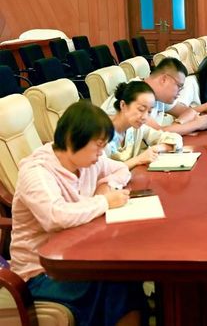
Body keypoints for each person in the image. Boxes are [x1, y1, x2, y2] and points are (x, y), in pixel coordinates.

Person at [11, 101, 145, 326]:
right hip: (41, 273)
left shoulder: (88, 161)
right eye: (98, 146)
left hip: (80, 257)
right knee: (117, 282)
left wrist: (106, 186)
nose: (101, 153)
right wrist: (104, 201)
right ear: (72, 139)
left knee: (126, 277)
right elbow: (55, 216)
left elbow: (121, 169)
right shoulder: (36, 171)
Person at [101, 57, 207, 134]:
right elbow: (158, 132)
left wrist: (178, 123)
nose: (180, 91)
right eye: (179, 86)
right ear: (164, 79)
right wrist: (196, 125)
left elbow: (189, 111)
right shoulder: (136, 94)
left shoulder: (157, 96)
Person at [106, 81, 183, 169]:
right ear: (123, 105)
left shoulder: (136, 128)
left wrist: (157, 148)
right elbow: (101, 172)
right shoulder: (101, 133)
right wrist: (138, 159)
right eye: (141, 109)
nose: (145, 117)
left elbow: (175, 138)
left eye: (149, 112)